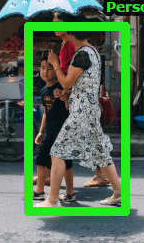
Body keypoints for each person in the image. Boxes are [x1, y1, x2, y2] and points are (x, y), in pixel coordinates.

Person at [39, 18, 122, 207]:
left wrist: (55, 64)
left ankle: (51, 199)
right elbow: (84, 85)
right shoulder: (89, 51)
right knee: (101, 152)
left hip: (82, 112)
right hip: (89, 109)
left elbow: (67, 81)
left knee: (57, 151)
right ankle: (118, 193)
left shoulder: (82, 55)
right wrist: (68, 94)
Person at [52, 11, 110, 189]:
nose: (53, 25)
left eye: (56, 21)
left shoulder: (78, 50)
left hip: (81, 105)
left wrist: (55, 66)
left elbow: (70, 79)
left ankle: (57, 192)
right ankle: (116, 190)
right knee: (98, 146)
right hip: (81, 101)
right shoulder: (77, 47)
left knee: (58, 148)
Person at [33, 54, 75, 203]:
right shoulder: (44, 90)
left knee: (66, 162)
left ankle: (70, 192)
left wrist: (64, 96)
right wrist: (41, 131)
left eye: (50, 69)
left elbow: (70, 109)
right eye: (43, 68)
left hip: (63, 131)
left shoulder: (62, 88)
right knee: (41, 159)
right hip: (50, 132)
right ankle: (39, 191)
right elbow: (46, 112)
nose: (45, 72)